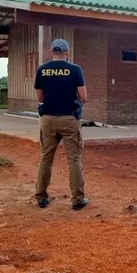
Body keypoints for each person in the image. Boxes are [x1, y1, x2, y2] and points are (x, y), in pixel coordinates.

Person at [34, 38, 88, 210]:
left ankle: (41, 197)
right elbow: (84, 97)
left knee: (46, 158)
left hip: (48, 120)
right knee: (74, 159)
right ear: (67, 52)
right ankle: (77, 199)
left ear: (51, 51)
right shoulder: (75, 70)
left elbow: (40, 98)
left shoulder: (42, 70)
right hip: (69, 119)